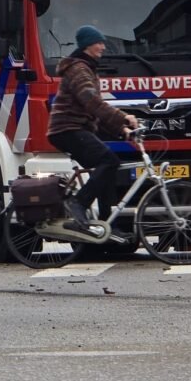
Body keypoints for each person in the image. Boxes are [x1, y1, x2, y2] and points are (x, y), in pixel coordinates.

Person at [46, 25, 139, 235]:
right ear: (88, 45)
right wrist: (124, 117)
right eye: (99, 42)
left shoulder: (86, 67)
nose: (103, 47)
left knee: (106, 168)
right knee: (109, 161)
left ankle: (108, 225)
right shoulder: (79, 69)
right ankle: (78, 204)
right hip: (67, 129)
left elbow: (94, 112)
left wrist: (121, 129)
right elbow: (91, 102)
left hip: (76, 127)